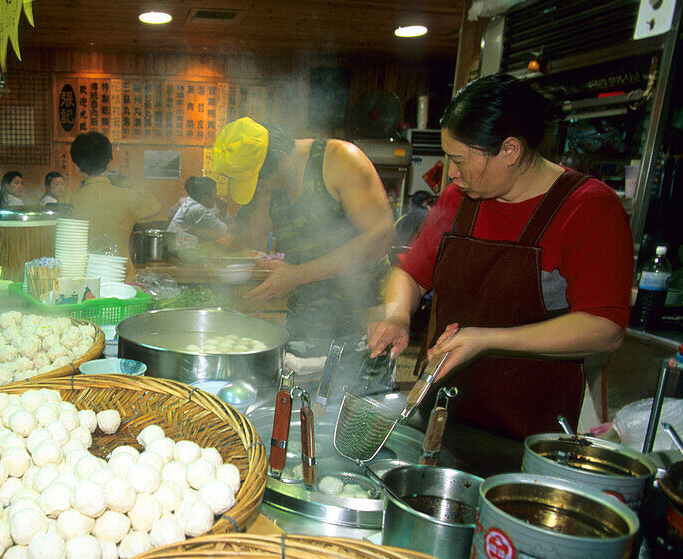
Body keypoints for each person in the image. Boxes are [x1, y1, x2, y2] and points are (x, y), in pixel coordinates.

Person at [366, 73, 632, 464]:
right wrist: (397, 315)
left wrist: (487, 339)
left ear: (510, 149)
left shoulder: (588, 208)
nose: (450, 172)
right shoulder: (459, 199)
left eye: (459, 160)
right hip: (440, 418)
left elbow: (604, 329)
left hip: (529, 442)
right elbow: (410, 272)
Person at [210, 117, 395, 356]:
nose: (261, 188)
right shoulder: (272, 184)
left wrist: (297, 275)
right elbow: (251, 235)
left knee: (356, 390)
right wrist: (218, 250)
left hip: (363, 319)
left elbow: (381, 237)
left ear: (282, 160)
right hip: (306, 319)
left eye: (261, 182)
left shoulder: (340, 160)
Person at [62, 131, 161, 250]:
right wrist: (127, 186)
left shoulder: (66, 201)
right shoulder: (128, 197)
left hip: (82, 268)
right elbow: (155, 205)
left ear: (77, 167)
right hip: (121, 268)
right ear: (109, 164)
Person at [165, 175, 230, 249]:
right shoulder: (197, 210)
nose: (216, 197)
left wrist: (223, 211)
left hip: (179, 248)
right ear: (205, 197)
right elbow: (222, 230)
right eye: (214, 194)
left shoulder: (192, 203)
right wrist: (223, 210)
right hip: (175, 251)